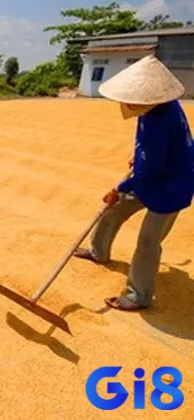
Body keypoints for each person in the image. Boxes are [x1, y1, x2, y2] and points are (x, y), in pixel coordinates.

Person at [74, 55, 194, 311]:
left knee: (149, 240)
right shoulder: (153, 107)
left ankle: (138, 294)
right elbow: (150, 153)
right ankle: (99, 250)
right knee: (114, 208)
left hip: (172, 186)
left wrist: (119, 188)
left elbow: (149, 169)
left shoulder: (159, 119)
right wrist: (139, 157)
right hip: (155, 172)